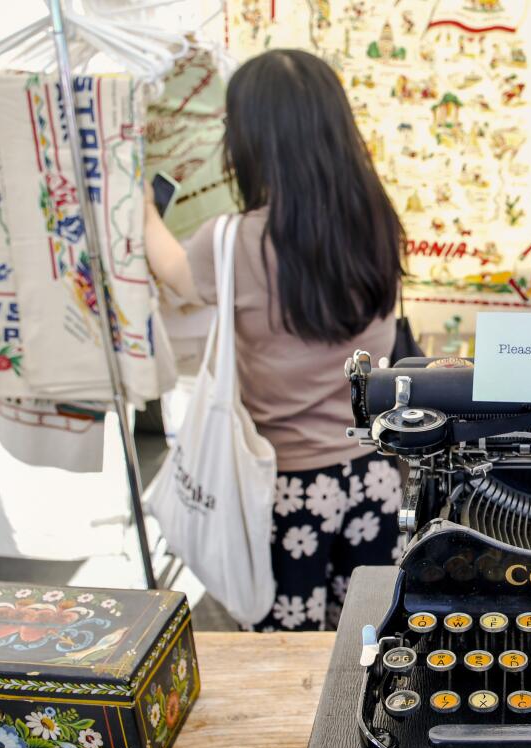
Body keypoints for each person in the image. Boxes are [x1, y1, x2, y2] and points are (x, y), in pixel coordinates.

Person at [144, 49, 404, 632]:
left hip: (282, 491)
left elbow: (174, 275)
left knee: (286, 661)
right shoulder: (377, 222)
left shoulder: (232, 240)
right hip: (374, 476)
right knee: (367, 645)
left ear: (249, 139)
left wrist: (139, 210)